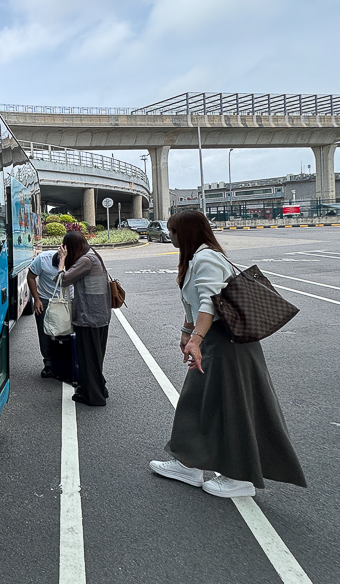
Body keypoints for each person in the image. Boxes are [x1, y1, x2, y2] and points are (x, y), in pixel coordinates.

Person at [149, 211, 306, 497]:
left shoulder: (206, 258)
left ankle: (240, 478)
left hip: (227, 344)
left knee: (233, 407)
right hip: (215, 342)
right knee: (200, 402)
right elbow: (194, 303)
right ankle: (189, 463)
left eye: (173, 231)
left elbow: (209, 303)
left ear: (187, 233)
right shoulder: (196, 259)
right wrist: (187, 332)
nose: (169, 236)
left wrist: (195, 339)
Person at [57, 231, 111, 406]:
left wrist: (62, 260)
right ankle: (98, 388)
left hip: (89, 316)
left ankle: (94, 397)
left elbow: (63, 280)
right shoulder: (92, 255)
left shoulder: (86, 260)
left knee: (88, 358)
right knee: (94, 357)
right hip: (99, 315)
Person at [27, 249, 63, 378]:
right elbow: (30, 277)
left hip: (67, 300)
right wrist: (36, 299)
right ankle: (48, 364)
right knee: (45, 333)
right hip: (45, 300)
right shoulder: (43, 259)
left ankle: (66, 362)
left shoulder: (76, 259)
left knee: (66, 333)